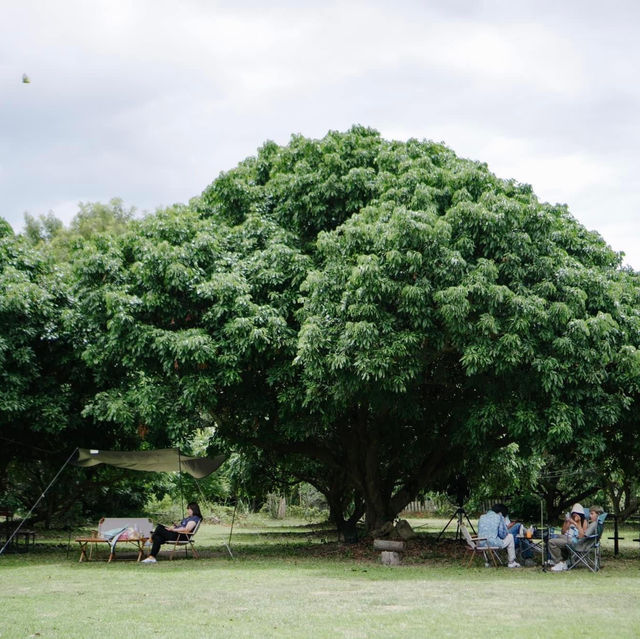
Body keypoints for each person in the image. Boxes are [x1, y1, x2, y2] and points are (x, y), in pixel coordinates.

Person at [549, 502, 598, 571]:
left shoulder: (584, 522)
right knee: (553, 537)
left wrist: (576, 523)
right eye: (574, 514)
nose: (575, 516)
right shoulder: (569, 520)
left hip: (574, 540)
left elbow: (581, 536)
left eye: (577, 514)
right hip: (566, 537)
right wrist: (566, 522)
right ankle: (561, 560)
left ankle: (560, 562)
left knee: (552, 542)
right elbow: (563, 532)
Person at [477, 503, 521, 568]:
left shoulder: (482, 517)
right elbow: (502, 534)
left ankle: (489, 561)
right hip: (492, 543)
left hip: (481, 543)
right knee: (510, 536)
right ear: (500, 512)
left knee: (492, 539)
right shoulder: (499, 517)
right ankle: (511, 562)